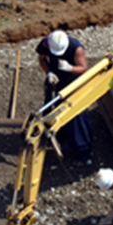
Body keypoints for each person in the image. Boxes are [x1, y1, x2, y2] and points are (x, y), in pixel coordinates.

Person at [36, 30, 93, 163]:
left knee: (75, 114)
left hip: (73, 82)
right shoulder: (46, 44)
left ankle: (83, 149)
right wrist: (49, 72)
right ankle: (57, 132)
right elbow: (42, 58)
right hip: (56, 79)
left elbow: (83, 68)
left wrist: (71, 68)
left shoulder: (76, 48)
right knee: (50, 107)